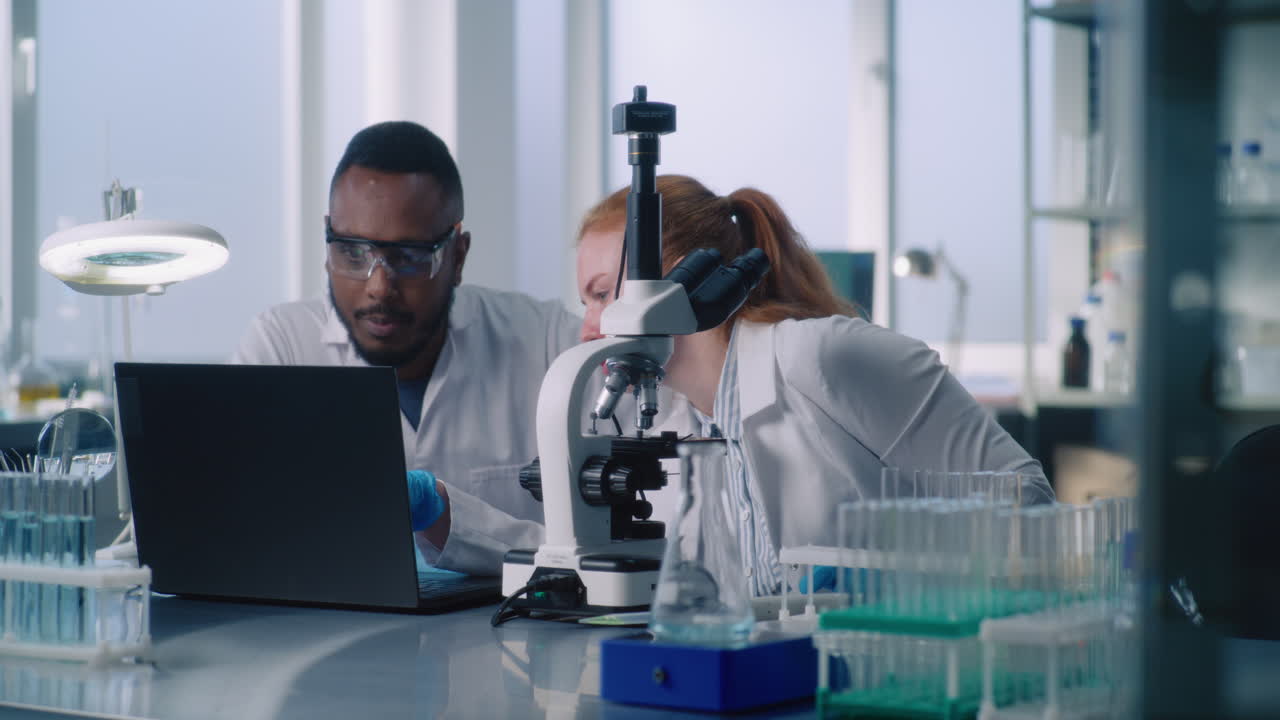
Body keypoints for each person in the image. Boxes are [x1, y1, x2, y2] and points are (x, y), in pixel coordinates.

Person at [576, 174, 1053, 596]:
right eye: (586, 303)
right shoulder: (675, 421)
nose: (588, 328)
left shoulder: (819, 357)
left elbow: (1028, 499)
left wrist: (895, 573)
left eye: (601, 295)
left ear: (682, 277)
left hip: (895, 667)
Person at [232, 121, 581, 575]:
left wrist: (450, 518)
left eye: (410, 256)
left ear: (458, 256)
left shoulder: (547, 341)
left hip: (519, 641)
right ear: (327, 245)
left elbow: (623, 545)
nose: (379, 287)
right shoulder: (280, 345)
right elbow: (222, 523)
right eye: (353, 252)